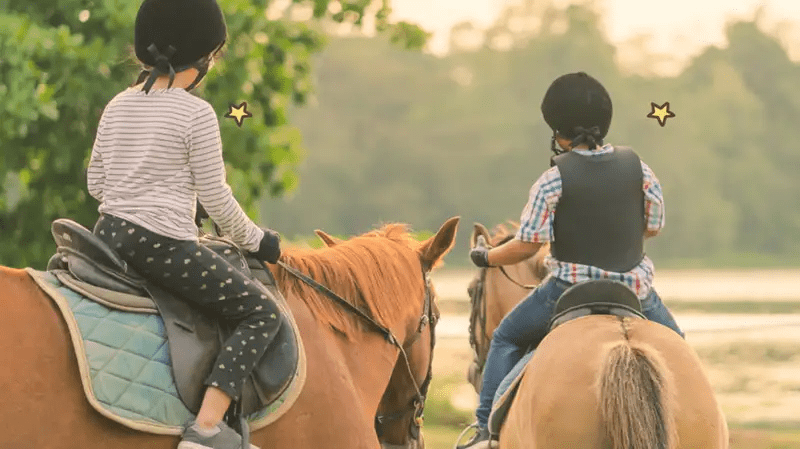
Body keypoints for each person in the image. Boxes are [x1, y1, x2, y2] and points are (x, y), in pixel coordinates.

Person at [86, 0, 282, 447]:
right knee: (260, 312)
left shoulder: (118, 103)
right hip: (160, 245)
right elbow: (216, 198)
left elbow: (97, 183)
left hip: (107, 235)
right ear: (206, 55)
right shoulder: (197, 114)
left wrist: (139, 194)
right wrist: (257, 241)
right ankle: (207, 430)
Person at [456, 72, 685, 449]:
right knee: (678, 349)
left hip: (567, 290)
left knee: (506, 338)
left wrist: (487, 256)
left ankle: (484, 432)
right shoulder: (640, 168)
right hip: (636, 292)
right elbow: (653, 227)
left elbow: (527, 246)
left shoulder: (552, 179)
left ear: (557, 131)